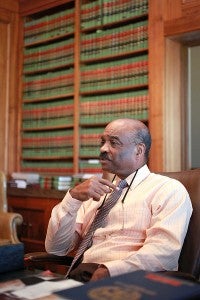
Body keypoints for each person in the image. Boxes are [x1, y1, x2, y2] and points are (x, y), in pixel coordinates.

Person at [45, 118, 192, 282]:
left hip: (131, 282)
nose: (103, 149)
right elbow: (56, 249)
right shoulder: (95, 191)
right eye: (102, 142)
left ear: (138, 150)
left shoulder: (167, 189)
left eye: (113, 143)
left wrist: (110, 271)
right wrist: (72, 198)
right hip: (82, 276)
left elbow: (164, 253)